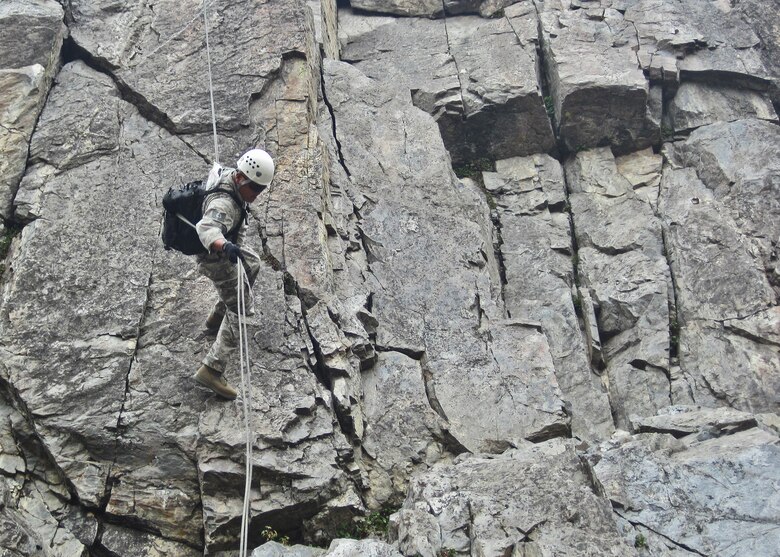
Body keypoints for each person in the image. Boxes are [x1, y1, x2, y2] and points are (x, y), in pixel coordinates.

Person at [192, 148, 274, 399]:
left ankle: (216, 317)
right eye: (256, 189)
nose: (257, 195)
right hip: (215, 257)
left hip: (226, 248)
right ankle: (211, 369)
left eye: (261, 190)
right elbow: (206, 228)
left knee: (253, 264)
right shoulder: (224, 203)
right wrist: (224, 245)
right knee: (241, 308)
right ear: (241, 179)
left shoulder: (233, 179)